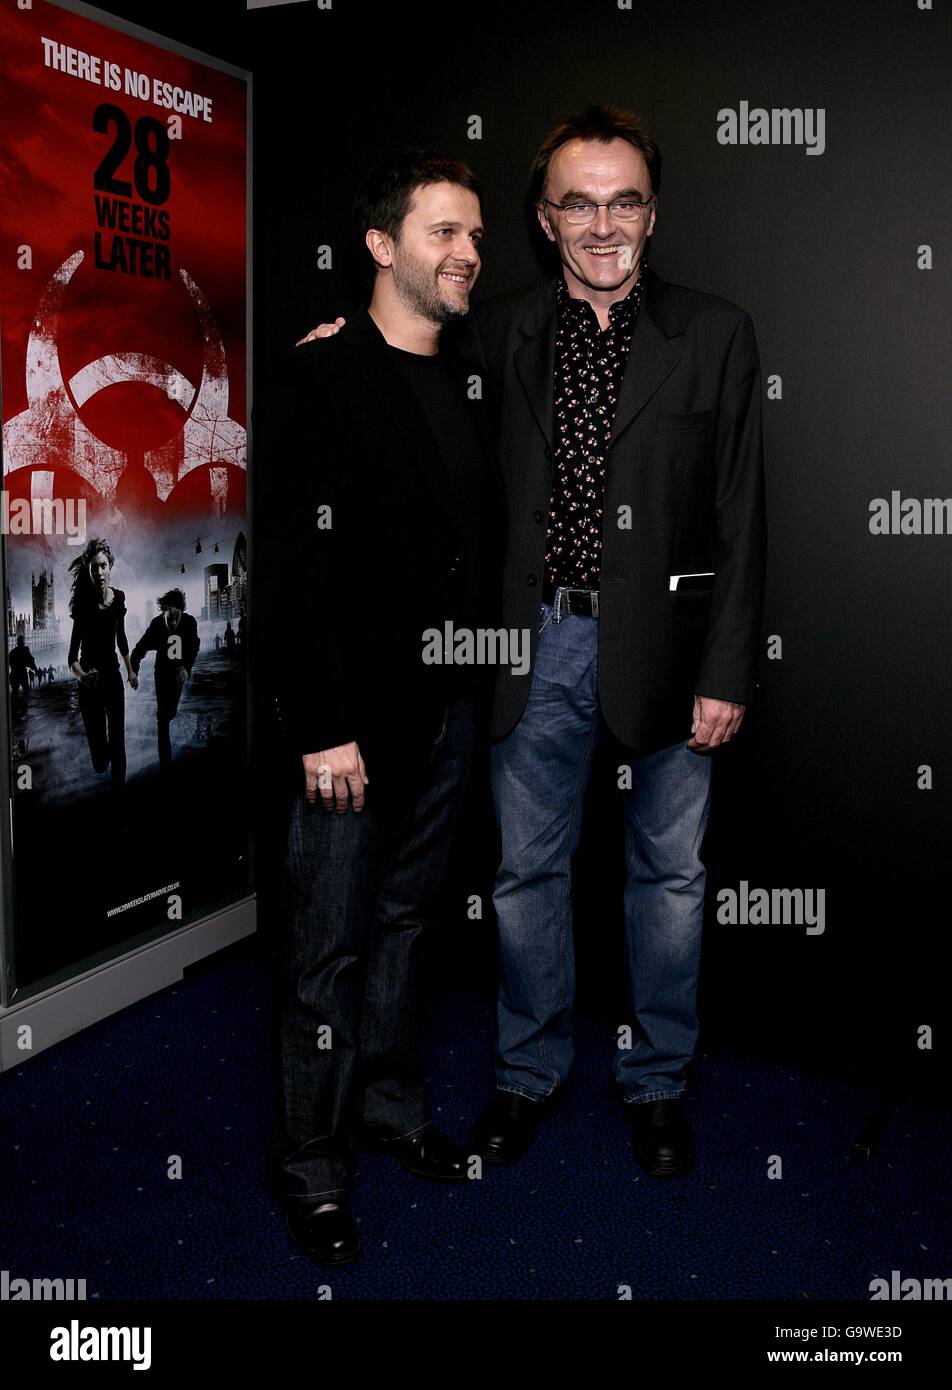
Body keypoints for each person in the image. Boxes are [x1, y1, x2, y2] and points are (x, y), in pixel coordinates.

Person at [305, 104, 766, 1179]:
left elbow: (743, 512)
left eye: (623, 202)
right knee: (525, 878)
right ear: (545, 217)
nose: (601, 224)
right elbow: (400, 354)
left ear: (650, 215)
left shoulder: (717, 333)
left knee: (667, 880)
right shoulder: (497, 328)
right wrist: (341, 348)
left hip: (668, 653)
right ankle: (527, 1073)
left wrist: (728, 667)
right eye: (577, 202)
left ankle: (655, 1083)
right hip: (530, 648)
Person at [255, 150, 500, 1266]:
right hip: (347, 726)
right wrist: (319, 725)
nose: (466, 254)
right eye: (445, 232)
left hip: (448, 710)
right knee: (326, 951)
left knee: (408, 927)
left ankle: (391, 1112)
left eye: (476, 237)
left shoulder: (471, 376)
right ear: (381, 244)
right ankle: (311, 1163)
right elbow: (289, 575)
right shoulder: (316, 377)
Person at [67, 537, 137, 791]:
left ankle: (121, 803)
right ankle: (101, 755)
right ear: (88, 570)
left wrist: (130, 670)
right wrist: (83, 677)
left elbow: (121, 639)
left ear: (110, 567)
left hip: (112, 679)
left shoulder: (118, 599)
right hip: (89, 685)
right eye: (94, 567)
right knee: (100, 761)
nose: (99, 572)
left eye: (103, 565)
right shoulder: (83, 607)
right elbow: (71, 658)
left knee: (118, 743)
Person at [130, 588, 200, 775]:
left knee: (170, 713)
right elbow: (139, 649)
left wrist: (187, 668)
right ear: (163, 612)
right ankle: (165, 767)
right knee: (163, 719)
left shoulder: (190, 623)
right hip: (162, 673)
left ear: (182, 612)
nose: (174, 622)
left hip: (179, 672)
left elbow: (194, 646)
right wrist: (134, 672)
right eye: (170, 617)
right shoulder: (156, 626)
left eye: (177, 617)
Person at [8, 635, 38, 708]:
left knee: (16, 692)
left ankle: (15, 708)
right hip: (21, 673)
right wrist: (36, 670)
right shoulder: (25, 650)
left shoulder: (12, 652)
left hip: (15, 674)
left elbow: (9, 663)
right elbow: (31, 661)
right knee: (25, 691)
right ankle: (22, 707)